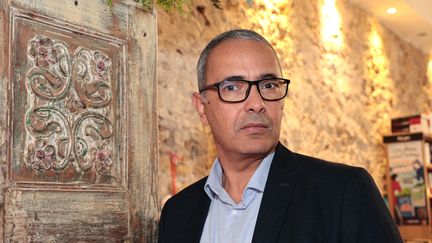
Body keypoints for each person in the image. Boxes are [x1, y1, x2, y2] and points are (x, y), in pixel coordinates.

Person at [158, 29, 403, 243]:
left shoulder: (342, 192)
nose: (256, 103)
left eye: (268, 86)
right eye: (232, 87)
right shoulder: (178, 214)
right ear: (202, 107)